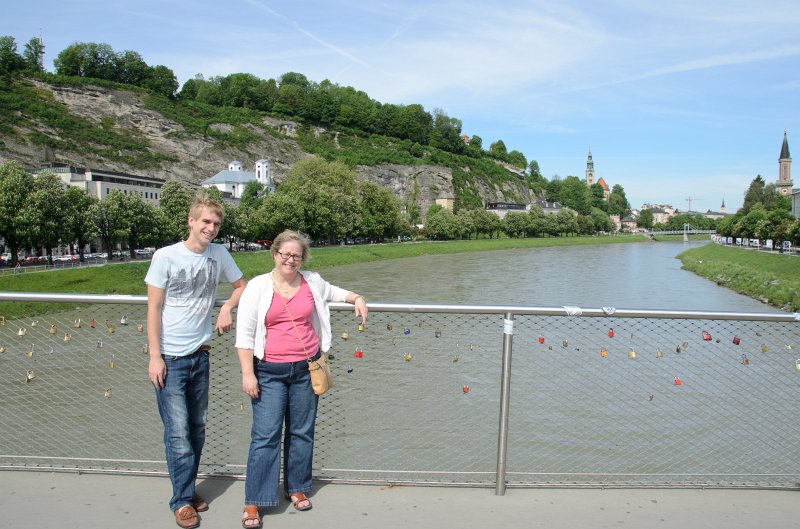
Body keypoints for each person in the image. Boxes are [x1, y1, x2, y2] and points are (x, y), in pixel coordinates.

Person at [235, 230, 367, 529]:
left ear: (303, 258)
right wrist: (248, 374)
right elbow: (243, 337)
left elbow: (333, 291)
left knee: (302, 432)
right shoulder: (257, 287)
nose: (291, 260)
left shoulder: (312, 281)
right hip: (269, 371)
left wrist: (356, 297)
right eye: (286, 254)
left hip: (307, 369)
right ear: (275, 255)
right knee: (265, 437)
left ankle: (296, 487)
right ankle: (254, 500)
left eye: (297, 255)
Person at [146, 191, 247, 529]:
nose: (211, 228)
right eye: (206, 221)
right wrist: (155, 357)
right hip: (170, 360)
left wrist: (226, 307)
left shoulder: (218, 254)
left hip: (200, 357)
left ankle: (186, 490)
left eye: (216, 223)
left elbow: (241, 286)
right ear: (191, 221)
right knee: (177, 435)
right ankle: (181, 501)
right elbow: (153, 309)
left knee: (197, 430)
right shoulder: (165, 256)